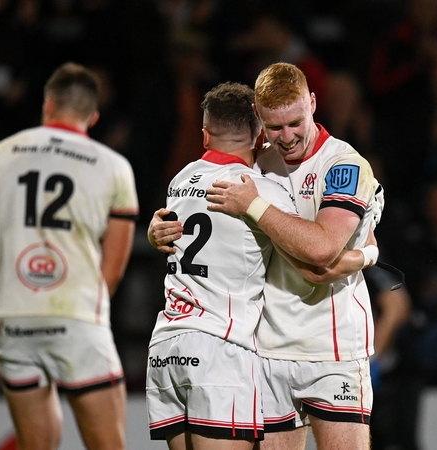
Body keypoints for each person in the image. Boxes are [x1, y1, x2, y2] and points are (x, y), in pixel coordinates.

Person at [146, 81, 377, 450]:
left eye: (295, 123)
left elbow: (321, 252)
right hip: (249, 349)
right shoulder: (257, 175)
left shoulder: (343, 162)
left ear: (313, 104)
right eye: (275, 127)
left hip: (327, 351)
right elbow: (314, 262)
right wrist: (369, 255)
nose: (285, 137)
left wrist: (155, 232)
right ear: (259, 127)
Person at [0, 62, 138, 450]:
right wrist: (87, 317)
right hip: (78, 316)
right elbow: (113, 267)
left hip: (14, 318)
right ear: (93, 116)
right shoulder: (114, 167)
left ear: (47, 104)